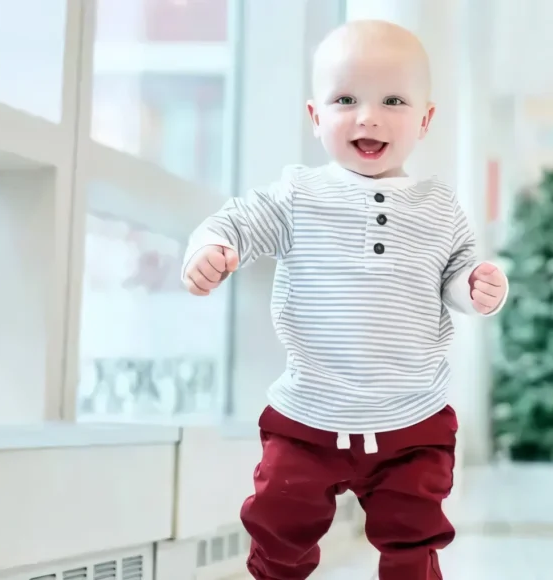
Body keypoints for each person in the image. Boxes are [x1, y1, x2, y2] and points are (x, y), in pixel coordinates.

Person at [180, 19, 508, 580]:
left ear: (425, 119)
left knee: (414, 534)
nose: (368, 116)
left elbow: (455, 273)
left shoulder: (438, 205)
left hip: (412, 416)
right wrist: (211, 247)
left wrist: (477, 287)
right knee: (279, 520)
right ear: (316, 116)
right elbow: (236, 221)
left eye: (393, 100)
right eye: (346, 99)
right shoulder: (299, 194)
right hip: (309, 411)